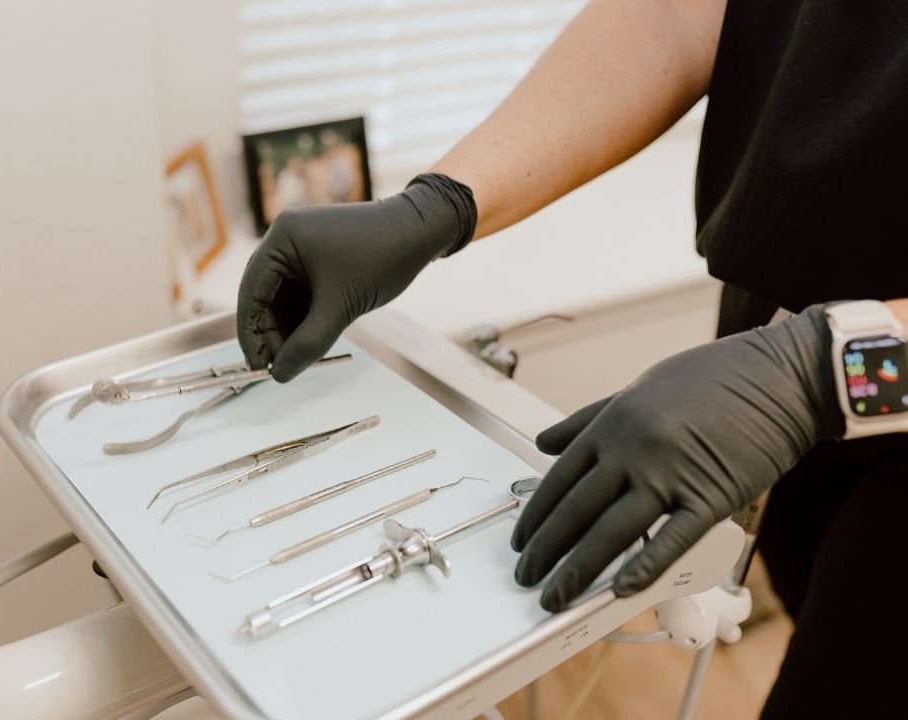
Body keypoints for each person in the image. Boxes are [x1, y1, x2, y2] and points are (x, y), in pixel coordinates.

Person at [235, 1, 908, 716]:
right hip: (780, 334)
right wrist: (437, 206)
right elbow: (684, 17)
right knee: (807, 582)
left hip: (848, 374)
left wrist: (823, 372)